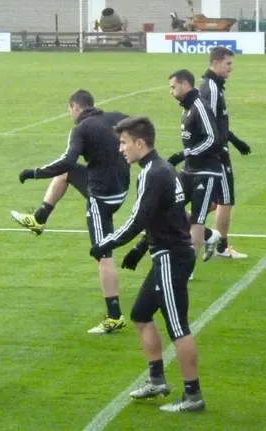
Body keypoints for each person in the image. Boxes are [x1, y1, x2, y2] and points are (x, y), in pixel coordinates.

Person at [92, 116, 205, 412]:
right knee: (141, 314)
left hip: (171, 256)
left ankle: (193, 395)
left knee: (178, 325)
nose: (120, 149)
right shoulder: (161, 169)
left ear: (139, 143)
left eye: (124, 142)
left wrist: (107, 242)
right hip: (166, 253)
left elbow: (138, 218)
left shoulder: (153, 173)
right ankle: (156, 380)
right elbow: (165, 217)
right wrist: (141, 248)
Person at [11, 90, 130, 334]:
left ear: (75, 107)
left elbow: (67, 159)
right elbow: (143, 134)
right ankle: (39, 219)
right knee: (68, 173)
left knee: (103, 253)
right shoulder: (116, 117)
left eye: (69, 110)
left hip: (101, 197)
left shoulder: (81, 129)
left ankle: (114, 315)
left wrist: (33, 173)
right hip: (121, 188)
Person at [165, 69, 223, 277]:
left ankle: (187, 267)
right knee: (171, 208)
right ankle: (209, 236)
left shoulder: (200, 106)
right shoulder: (187, 108)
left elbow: (212, 139)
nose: (171, 92)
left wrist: (184, 153)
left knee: (198, 218)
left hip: (206, 171)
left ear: (185, 85)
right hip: (189, 170)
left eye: (173, 87)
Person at [198, 46, 251, 261]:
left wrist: (235, 141)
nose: (231, 69)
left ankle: (189, 230)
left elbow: (218, 123)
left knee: (212, 202)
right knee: (225, 200)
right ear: (216, 62)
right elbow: (208, 124)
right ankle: (220, 246)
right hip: (216, 153)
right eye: (228, 64)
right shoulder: (210, 88)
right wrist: (218, 149)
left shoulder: (215, 86)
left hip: (218, 149)